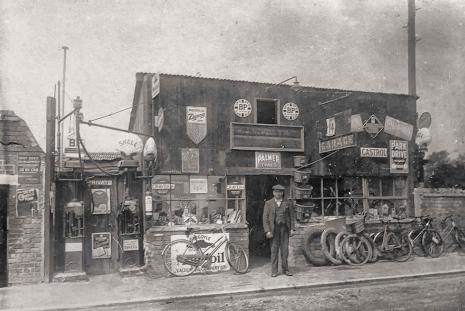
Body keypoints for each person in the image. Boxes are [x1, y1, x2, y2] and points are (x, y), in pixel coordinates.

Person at [262, 184, 296, 277]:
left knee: (285, 250)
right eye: (276, 192)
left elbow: (292, 217)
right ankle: (274, 271)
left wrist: (292, 229)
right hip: (274, 230)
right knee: (274, 250)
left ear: (282, 193)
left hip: (284, 229)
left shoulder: (287, 203)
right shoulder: (268, 203)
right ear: (273, 193)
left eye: (280, 192)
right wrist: (267, 231)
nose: (278, 194)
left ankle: (286, 269)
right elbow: (265, 219)